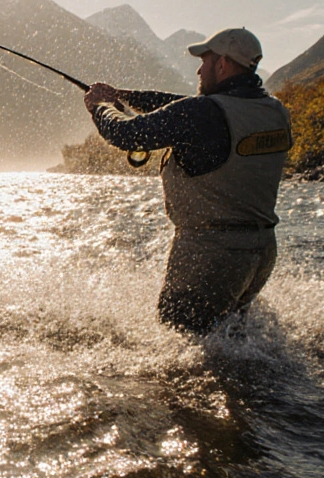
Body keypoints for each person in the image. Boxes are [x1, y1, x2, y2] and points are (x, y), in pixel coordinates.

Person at [83, 27, 293, 335]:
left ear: (222, 64)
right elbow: (179, 107)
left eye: (204, 60)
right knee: (231, 344)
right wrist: (122, 96)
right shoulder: (274, 111)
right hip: (260, 251)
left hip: (211, 253)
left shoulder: (203, 113)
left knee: (180, 343)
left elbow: (127, 134)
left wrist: (99, 107)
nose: (199, 68)